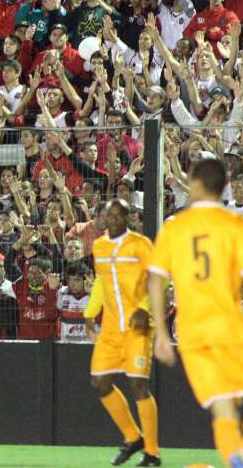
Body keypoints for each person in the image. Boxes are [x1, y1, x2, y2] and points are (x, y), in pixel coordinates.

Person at [148, 159, 243, 468]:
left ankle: (238, 461)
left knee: (223, 408)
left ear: (195, 183)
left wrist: (161, 334)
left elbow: (155, 281)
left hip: (192, 332)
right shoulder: (237, 225)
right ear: (224, 185)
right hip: (230, 326)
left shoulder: (174, 227)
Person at [85, 199, 160, 467]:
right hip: (110, 328)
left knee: (138, 385)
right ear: (103, 218)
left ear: (128, 217)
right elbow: (101, 281)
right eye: (110, 215)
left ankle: (152, 452)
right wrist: (89, 313)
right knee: (99, 383)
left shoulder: (140, 244)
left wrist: (144, 307)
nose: (114, 219)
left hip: (138, 326)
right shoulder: (99, 246)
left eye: (119, 215)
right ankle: (133, 437)